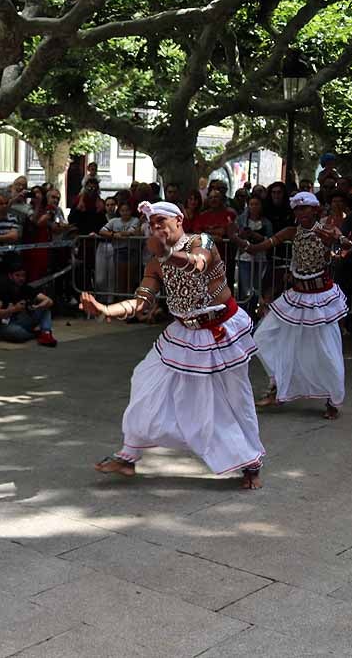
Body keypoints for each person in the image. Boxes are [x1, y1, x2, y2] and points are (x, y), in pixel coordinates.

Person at [81, 201, 265, 490]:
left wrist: (167, 253)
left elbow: (198, 264)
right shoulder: (155, 261)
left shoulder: (201, 241)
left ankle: (250, 461)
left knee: (232, 397)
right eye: (151, 224)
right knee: (145, 379)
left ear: (179, 220)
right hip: (183, 331)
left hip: (221, 330)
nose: (155, 228)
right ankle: (129, 455)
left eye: (160, 222)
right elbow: (141, 302)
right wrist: (106, 309)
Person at [236, 191, 352, 419]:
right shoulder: (291, 232)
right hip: (297, 296)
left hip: (321, 299)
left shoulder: (327, 230)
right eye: (297, 209)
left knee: (326, 350)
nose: (301, 213)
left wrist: (337, 244)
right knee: (263, 336)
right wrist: (239, 240)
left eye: (305, 208)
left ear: (315, 209)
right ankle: (277, 384)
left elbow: (347, 248)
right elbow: (260, 247)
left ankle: (332, 399)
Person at [0, 258, 57, 346]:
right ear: (10, 276)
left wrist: (38, 306)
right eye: (17, 275)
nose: (21, 278)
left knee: (46, 308)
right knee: (16, 333)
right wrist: (14, 309)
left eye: (23, 276)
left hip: (23, 320)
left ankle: (46, 333)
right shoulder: (2, 290)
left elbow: (49, 301)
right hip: (6, 325)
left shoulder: (26, 288)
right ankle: (35, 334)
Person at [99, 201, 142, 295]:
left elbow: (130, 232)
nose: (125, 213)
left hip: (132, 251)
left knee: (131, 278)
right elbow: (102, 231)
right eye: (122, 210)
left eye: (127, 210)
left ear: (131, 211)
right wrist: (114, 234)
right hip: (119, 251)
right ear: (119, 211)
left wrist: (118, 234)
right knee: (120, 279)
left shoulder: (135, 220)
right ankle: (120, 300)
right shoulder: (114, 221)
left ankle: (129, 300)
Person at [235, 195, 273, 303]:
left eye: (256, 204)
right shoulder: (241, 220)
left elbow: (271, 238)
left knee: (257, 287)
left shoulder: (266, 222)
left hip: (261, 258)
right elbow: (235, 235)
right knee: (246, 288)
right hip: (244, 257)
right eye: (251, 204)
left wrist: (257, 236)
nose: (254, 207)